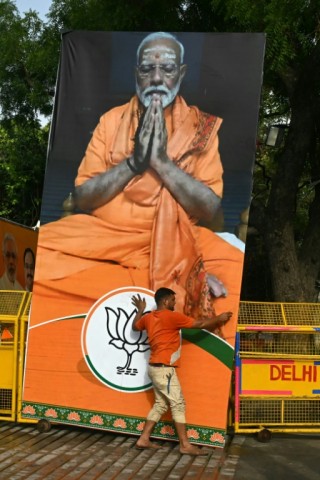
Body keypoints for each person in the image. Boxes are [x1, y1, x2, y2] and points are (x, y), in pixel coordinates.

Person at [32, 31, 244, 327]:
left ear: (180, 74)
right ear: (136, 74)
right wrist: (134, 163)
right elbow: (82, 195)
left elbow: (210, 208)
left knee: (234, 269)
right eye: (147, 69)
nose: (156, 78)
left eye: (167, 68)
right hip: (104, 233)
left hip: (181, 238)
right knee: (40, 255)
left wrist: (161, 163)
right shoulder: (111, 120)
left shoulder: (201, 127)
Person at [131, 288, 232, 455]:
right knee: (178, 404)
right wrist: (219, 319)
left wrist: (140, 310)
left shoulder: (148, 317)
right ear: (165, 301)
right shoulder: (172, 316)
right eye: (172, 300)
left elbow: (135, 327)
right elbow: (199, 324)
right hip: (164, 370)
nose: (174, 303)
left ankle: (143, 439)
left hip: (154, 368)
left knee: (161, 404)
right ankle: (185, 445)